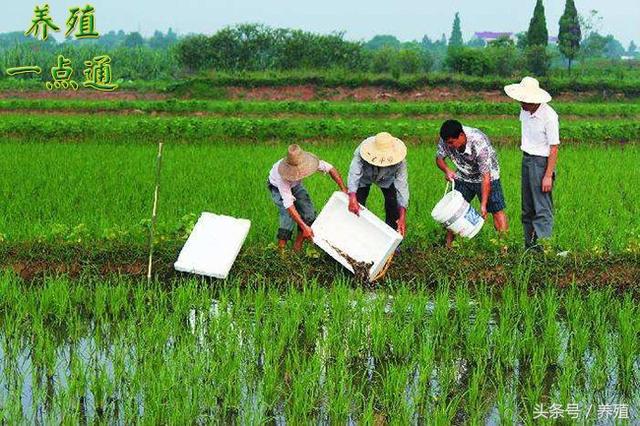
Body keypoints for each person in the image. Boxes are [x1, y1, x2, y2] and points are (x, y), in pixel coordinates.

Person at [504, 77, 559, 250]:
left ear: (534, 100)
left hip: (541, 163)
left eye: (525, 100)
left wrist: (548, 175)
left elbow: (554, 147)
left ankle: (545, 249)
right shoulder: (524, 110)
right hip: (527, 159)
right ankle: (530, 248)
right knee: (527, 209)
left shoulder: (549, 116)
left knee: (542, 209)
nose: (521, 103)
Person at [436, 120, 508, 248]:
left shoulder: (478, 142)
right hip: (463, 175)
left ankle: (504, 248)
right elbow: (439, 158)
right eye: (447, 143)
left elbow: (485, 177)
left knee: (496, 210)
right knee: (453, 209)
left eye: (452, 143)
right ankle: (448, 248)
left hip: (488, 177)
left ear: (461, 136)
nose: (449, 146)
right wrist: (447, 170)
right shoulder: (446, 139)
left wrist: (483, 205)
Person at [268, 144, 347, 251]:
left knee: (309, 214)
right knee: (287, 218)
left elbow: (330, 168)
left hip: (295, 185)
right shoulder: (282, 175)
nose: (300, 172)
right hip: (277, 188)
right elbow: (289, 205)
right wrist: (305, 227)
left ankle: (297, 247)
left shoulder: (309, 162)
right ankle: (281, 252)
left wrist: (343, 189)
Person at [347, 132, 409, 236]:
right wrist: (352, 196)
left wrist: (402, 216)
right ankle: (355, 234)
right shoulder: (362, 151)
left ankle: (392, 239)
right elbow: (354, 172)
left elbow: (402, 186)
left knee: (393, 208)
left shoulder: (399, 161)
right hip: (364, 177)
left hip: (387, 179)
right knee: (356, 205)